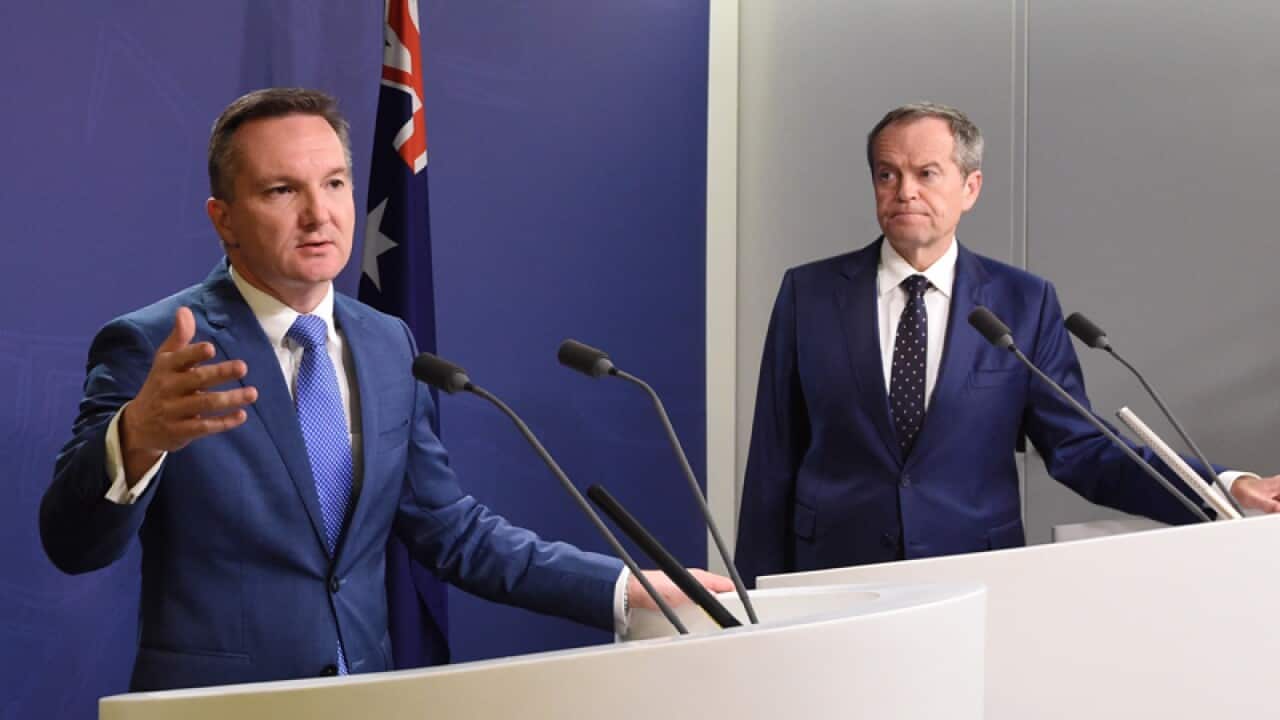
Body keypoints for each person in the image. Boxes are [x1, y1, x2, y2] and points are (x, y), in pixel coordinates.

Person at [40, 88, 730, 692]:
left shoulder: (386, 343)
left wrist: (625, 587)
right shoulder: (157, 346)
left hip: (366, 697)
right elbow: (72, 545)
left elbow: (451, 531)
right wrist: (137, 438)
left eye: (335, 183)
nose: (319, 214)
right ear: (223, 218)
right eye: (282, 191)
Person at [734, 102, 1280, 586]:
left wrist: (1222, 486)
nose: (905, 191)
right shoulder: (809, 294)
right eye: (887, 174)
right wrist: (748, 604)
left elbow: (1082, 449)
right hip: (834, 573)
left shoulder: (1023, 302)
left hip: (973, 573)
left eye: (927, 173)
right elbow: (772, 459)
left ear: (970, 187)